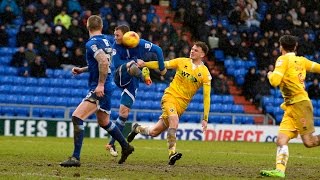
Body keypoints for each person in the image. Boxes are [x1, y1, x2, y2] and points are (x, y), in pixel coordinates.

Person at [60, 15, 134, 167]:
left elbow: (103, 61)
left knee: (77, 117)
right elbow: (105, 63)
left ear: (87, 26)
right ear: (101, 26)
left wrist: (100, 85)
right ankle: (126, 147)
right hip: (108, 85)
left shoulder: (91, 43)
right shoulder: (108, 41)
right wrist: (83, 69)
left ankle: (75, 158)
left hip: (101, 87)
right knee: (104, 121)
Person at [127, 41, 212, 165]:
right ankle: (172, 153)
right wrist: (145, 64)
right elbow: (163, 64)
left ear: (202, 54)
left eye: (196, 50)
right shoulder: (182, 61)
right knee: (174, 121)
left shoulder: (205, 73)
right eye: (192, 49)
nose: (192, 51)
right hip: (170, 96)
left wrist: (205, 118)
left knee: (154, 132)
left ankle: (137, 129)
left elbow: (206, 96)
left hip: (181, 105)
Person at [260, 35, 320, 178]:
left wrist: (269, 74)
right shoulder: (302, 61)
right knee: (281, 140)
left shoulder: (283, 59)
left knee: (309, 142)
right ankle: (279, 171)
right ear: (295, 46)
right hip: (291, 106)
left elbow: (274, 81)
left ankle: (280, 170)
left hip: (299, 104)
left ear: (281, 46)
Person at [105, 25, 166, 157]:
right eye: (115, 35)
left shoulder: (140, 43)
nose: (115, 38)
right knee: (131, 65)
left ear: (127, 35)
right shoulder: (115, 47)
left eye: (117, 35)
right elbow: (117, 64)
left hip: (132, 82)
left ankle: (111, 143)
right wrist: (134, 61)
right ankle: (145, 76)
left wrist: (162, 68)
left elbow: (158, 50)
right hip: (120, 75)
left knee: (124, 113)